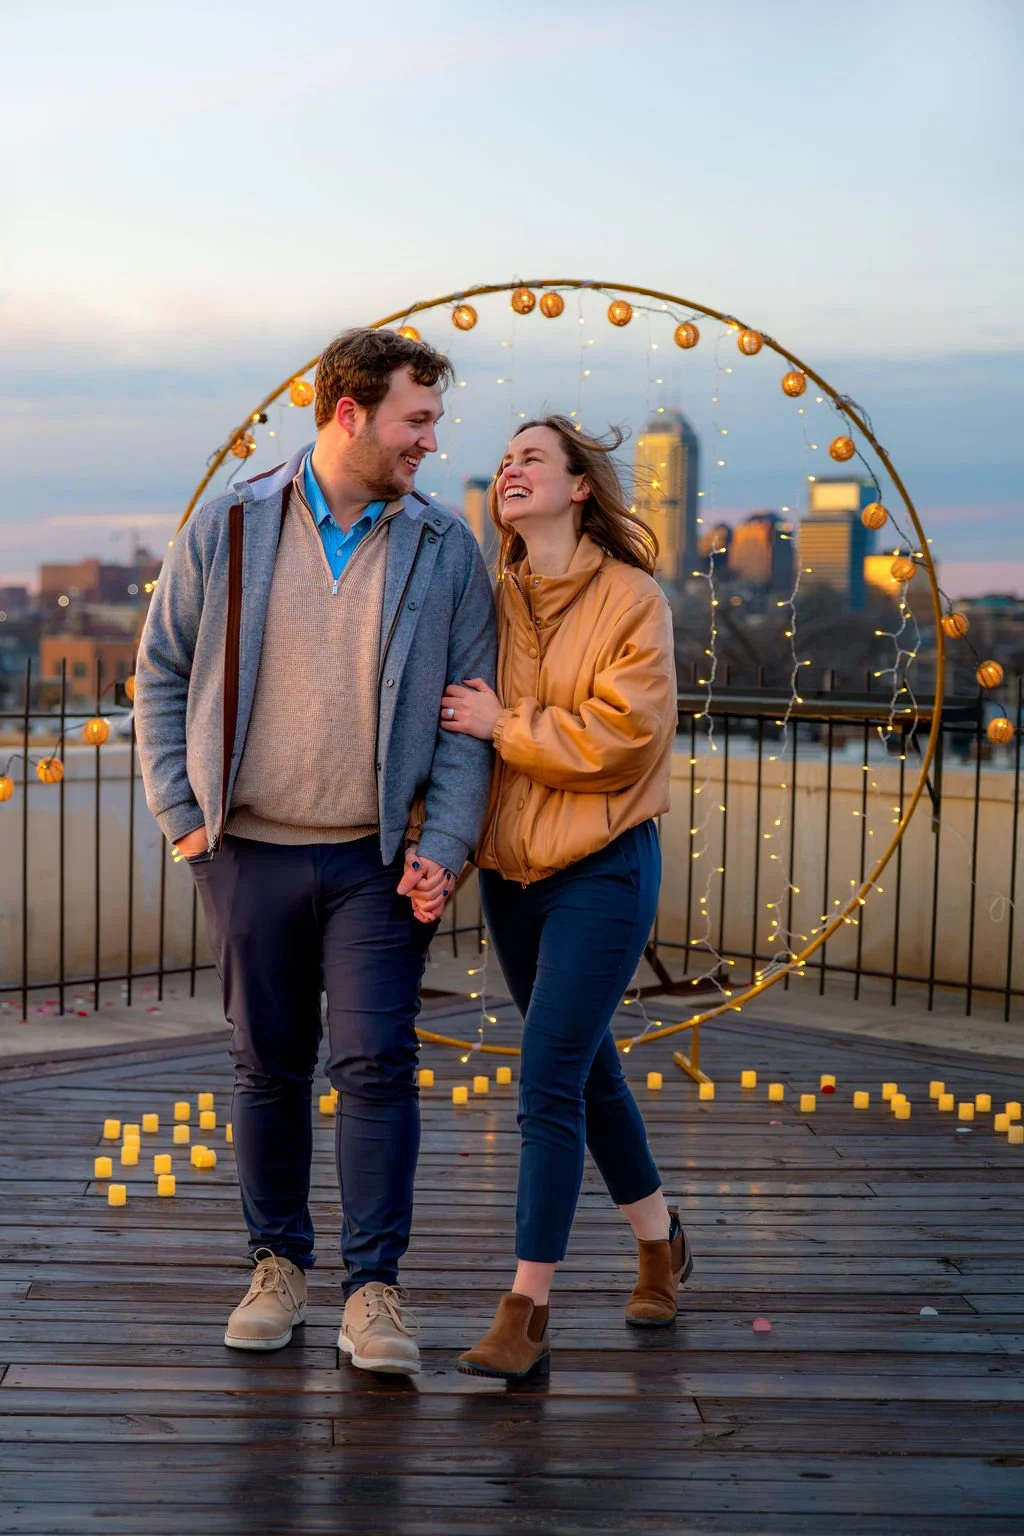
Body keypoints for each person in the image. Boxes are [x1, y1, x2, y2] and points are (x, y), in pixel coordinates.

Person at [135, 327, 496, 1376]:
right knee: (268, 1065)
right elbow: (160, 672)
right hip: (245, 852)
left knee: (378, 1063)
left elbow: (466, 717)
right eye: (415, 419)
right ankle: (277, 1268)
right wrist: (185, 819)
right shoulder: (230, 525)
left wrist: (447, 843)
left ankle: (373, 1291)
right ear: (350, 414)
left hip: (379, 862)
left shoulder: (445, 547)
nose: (430, 440)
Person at [438, 415, 689, 1381]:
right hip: (512, 880)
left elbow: (624, 738)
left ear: (580, 487)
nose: (511, 469)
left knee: (546, 1076)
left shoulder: (632, 598)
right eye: (505, 460)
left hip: (603, 870)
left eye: (532, 458)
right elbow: (449, 729)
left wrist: (507, 723)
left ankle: (526, 1310)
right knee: (586, 1072)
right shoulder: (488, 598)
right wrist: (436, 848)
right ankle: (662, 1241)